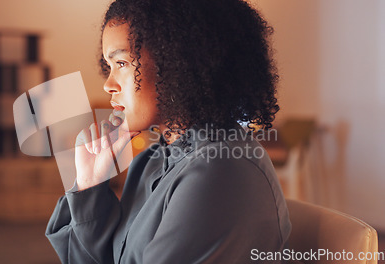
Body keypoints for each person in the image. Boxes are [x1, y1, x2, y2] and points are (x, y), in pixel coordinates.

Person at [45, 0, 291, 263]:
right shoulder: (150, 161)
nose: (108, 85)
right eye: (109, 66)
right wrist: (89, 185)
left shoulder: (220, 168)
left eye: (123, 63)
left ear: (178, 61)